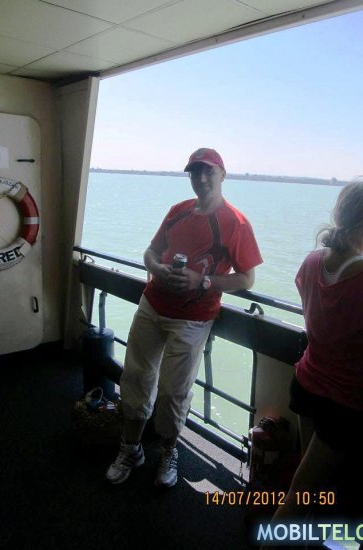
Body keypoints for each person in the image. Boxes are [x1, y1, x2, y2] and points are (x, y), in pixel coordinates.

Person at [105, 148, 263, 488]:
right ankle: (130, 448)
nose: (201, 178)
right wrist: (157, 268)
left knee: (174, 392)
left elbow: (247, 279)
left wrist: (202, 281)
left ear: (223, 175)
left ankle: (168, 452)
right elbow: (150, 252)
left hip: (193, 318)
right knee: (136, 377)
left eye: (209, 171)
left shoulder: (236, 223)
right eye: (195, 171)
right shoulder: (178, 211)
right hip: (152, 306)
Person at [260, 181, 363, 545]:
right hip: (344, 406)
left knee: (310, 480)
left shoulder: (312, 261)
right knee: (300, 493)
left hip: (306, 386)